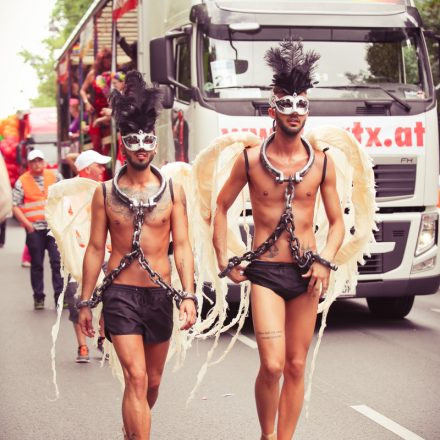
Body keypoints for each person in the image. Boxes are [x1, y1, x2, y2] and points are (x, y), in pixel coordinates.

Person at [213, 39, 345, 440]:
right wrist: (226, 256)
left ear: (308, 109)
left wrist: (325, 258)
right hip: (266, 272)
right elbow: (219, 207)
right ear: (273, 110)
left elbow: (338, 222)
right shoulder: (252, 160)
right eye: (285, 103)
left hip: (306, 274)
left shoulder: (322, 162)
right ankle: (266, 434)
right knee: (272, 365)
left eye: (301, 103)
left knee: (296, 366)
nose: (294, 111)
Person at [78, 71, 197, 440]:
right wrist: (85, 301)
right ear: (123, 146)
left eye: (148, 140)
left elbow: (184, 246)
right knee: (136, 375)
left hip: (160, 295)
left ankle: (133, 429)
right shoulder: (104, 193)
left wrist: (189, 295)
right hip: (120, 296)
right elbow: (96, 248)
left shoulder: (173, 191)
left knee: (153, 383)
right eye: (134, 140)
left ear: (155, 144)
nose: (142, 147)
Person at [62, 150, 111, 362]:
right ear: (87, 168)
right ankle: (82, 347)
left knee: (108, 299)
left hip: (105, 254)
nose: (102, 169)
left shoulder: (105, 190)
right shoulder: (68, 193)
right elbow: (61, 224)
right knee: (78, 300)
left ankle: (102, 339)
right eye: (98, 165)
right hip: (77, 257)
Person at [12, 149, 64, 309]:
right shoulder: (22, 181)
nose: (37, 164)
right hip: (35, 230)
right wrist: (28, 225)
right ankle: (39, 298)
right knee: (37, 264)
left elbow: (65, 198)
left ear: (44, 161)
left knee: (57, 263)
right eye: (34, 161)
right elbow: (15, 206)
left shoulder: (55, 176)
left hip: (53, 229)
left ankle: (60, 298)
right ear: (29, 164)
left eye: (39, 160)